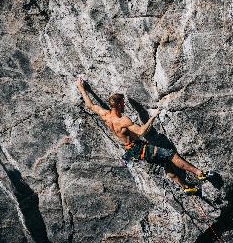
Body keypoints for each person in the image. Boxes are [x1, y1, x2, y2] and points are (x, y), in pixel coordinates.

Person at [75, 78, 209, 194]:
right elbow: (140, 132)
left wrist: (82, 88)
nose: (124, 105)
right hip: (139, 148)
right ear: (119, 105)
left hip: (132, 150)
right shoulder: (123, 121)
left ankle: (185, 187)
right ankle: (198, 173)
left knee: (165, 162)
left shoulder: (105, 115)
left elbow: (90, 105)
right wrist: (153, 117)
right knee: (170, 155)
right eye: (122, 103)